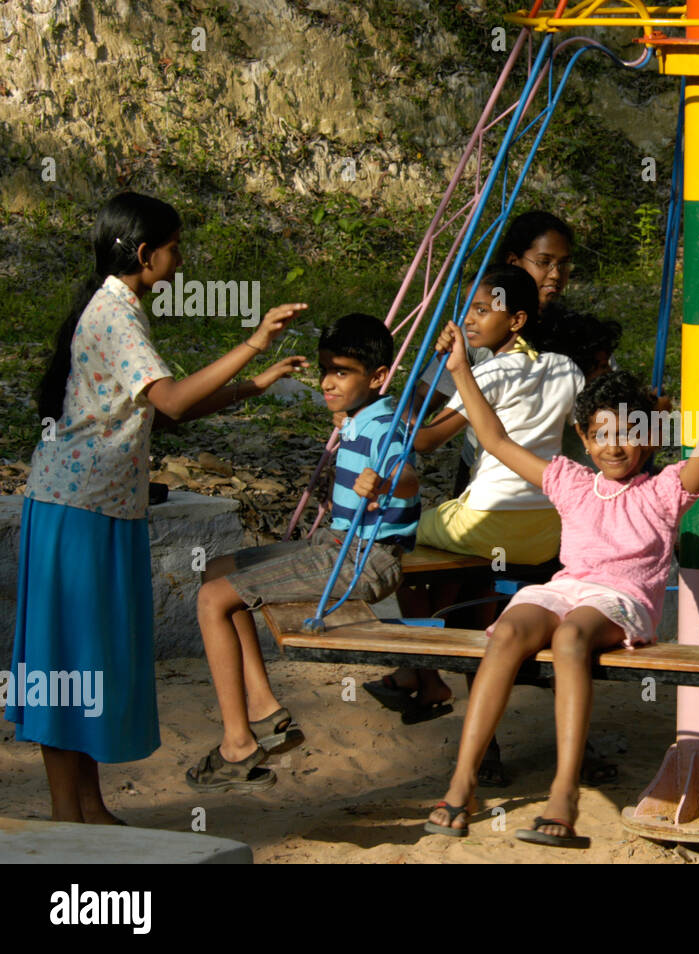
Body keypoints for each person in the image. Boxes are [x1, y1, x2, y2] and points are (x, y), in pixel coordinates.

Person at [6, 192, 308, 823]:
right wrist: (251, 345)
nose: (182, 259)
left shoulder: (121, 307)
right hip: (79, 514)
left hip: (95, 510)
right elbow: (171, 401)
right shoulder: (116, 314)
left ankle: (88, 810)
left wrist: (257, 381)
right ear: (145, 254)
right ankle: (70, 816)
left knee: (80, 660)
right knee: (69, 665)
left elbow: (171, 406)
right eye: (175, 246)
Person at [423, 317, 699, 848]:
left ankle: (564, 792)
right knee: (509, 631)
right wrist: (459, 371)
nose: (615, 446)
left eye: (630, 434)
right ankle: (462, 782)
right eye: (602, 435)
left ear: (648, 439)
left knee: (570, 639)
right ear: (585, 439)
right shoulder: (570, 482)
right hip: (564, 589)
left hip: (621, 600)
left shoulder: (664, 491)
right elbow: (494, 438)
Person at [184, 313, 421, 792]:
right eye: (325, 370)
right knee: (215, 574)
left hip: (362, 559)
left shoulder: (388, 427)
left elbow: (407, 471)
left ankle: (238, 746)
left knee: (213, 601)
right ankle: (265, 710)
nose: (327, 382)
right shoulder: (363, 416)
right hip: (334, 544)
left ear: (377, 378)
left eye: (341, 372)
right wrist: (348, 419)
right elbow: (361, 426)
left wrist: (389, 481)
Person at [363, 265, 584, 730]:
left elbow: (425, 441)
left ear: (517, 321)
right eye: (467, 310)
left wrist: (374, 412)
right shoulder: (564, 368)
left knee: (398, 535)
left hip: (489, 521)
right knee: (452, 574)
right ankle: (419, 674)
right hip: (547, 529)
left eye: (483, 311)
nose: (470, 320)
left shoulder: (491, 372)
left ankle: (425, 672)